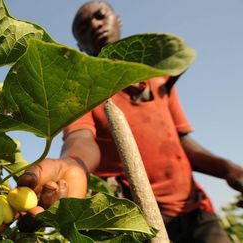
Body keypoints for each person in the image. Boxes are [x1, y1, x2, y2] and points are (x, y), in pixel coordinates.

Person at [16, 1, 243, 242]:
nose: (94, 24)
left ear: (118, 20)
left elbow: (181, 143)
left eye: (100, 16)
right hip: (139, 223)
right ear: (80, 47)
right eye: (83, 27)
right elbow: (80, 139)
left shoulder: (157, 79)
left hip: (195, 210)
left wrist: (230, 169)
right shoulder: (81, 90)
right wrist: (74, 164)